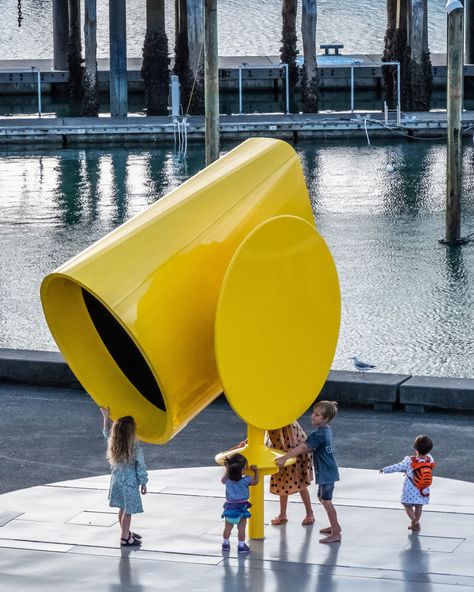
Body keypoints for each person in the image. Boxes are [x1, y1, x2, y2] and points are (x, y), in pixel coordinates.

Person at [276, 401, 341, 544]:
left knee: (326, 501)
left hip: (326, 473)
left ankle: (336, 533)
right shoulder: (326, 430)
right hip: (328, 471)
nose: (313, 416)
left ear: (325, 419)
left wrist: (284, 458)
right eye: (313, 413)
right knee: (322, 498)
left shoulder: (318, 435)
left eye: (317, 415)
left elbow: (302, 448)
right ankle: (335, 526)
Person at [100, 407, 148, 547]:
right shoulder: (135, 449)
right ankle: (125, 538)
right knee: (128, 511)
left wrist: (106, 417)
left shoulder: (113, 444)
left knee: (122, 507)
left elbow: (106, 434)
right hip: (129, 483)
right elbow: (141, 466)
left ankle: (126, 532)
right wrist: (144, 482)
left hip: (116, 482)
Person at [380, 434, 435, 532]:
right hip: (423, 489)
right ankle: (416, 522)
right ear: (430, 450)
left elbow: (397, 467)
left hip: (410, 488)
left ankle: (414, 521)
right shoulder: (429, 459)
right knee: (419, 506)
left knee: (407, 505)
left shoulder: (409, 461)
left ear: (415, 448)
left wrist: (385, 470)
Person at [267, 422, 315, 526]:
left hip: (294, 450)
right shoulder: (267, 415)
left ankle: (309, 512)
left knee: (300, 483)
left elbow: (291, 432)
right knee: (283, 482)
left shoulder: (285, 415)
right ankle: (283, 514)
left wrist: (290, 451)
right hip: (280, 449)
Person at [221, 452, 259, 553]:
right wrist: (256, 472)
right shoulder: (246, 480)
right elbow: (255, 482)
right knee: (241, 529)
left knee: (227, 528)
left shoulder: (227, 480)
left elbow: (223, 479)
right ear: (242, 470)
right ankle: (241, 546)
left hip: (230, 508)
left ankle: (225, 544)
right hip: (241, 509)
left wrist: (227, 470)